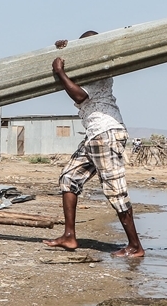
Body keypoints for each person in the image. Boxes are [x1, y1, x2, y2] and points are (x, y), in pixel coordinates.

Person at [43, 31, 144, 257]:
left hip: (106, 132)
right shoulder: (87, 67)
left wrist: (59, 72)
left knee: (115, 191)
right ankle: (69, 237)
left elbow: (79, 96)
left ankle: (135, 246)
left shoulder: (101, 70)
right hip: (94, 135)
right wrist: (64, 49)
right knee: (69, 178)